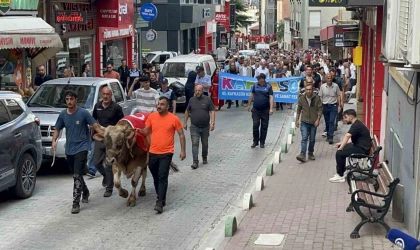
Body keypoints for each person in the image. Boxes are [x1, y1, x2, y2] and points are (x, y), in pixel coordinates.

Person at [52, 90, 103, 214]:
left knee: (76, 175)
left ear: (76, 100)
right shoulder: (63, 114)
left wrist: (104, 134)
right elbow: (57, 129)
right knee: (77, 175)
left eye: (71, 99)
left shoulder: (83, 113)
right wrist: (54, 140)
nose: (69, 101)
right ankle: (85, 190)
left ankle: (76, 203)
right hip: (69, 149)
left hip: (82, 147)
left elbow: (94, 125)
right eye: (67, 99)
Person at [137, 96, 186, 213]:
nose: (159, 106)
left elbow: (181, 135)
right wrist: (139, 130)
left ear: (167, 106)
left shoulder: (174, 119)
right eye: (158, 104)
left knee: (162, 176)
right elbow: (146, 131)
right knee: (155, 176)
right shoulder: (152, 117)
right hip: (153, 153)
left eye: (162, 104)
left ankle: (160, 202)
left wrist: (183, 150)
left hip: (166, 153)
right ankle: (161, 197)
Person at [92, 86, 124, 197]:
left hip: (112, 140)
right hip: (101, 137)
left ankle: (109, 188)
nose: (105, 96)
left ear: (111, 95)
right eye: (104, 94)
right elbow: (94, 120)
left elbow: (122, 123)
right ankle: (106, 176)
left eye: (108, 94)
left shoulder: (116, 107)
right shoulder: (97, 107)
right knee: (96, 162)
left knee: (109, 164)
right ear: (101, 94)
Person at [330, 109, 371, 183]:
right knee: (342, 149)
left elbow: (347, 135)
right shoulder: (357, 124)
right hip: (360, 147)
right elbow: (351, 139)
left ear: (351, 117)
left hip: (362, 150)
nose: (344, 119)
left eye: (345, 117)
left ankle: (340, 175)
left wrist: (341, 147)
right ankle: (342, 171)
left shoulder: (357, 125)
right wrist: (342, 143)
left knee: (339, 153)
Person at [183, 85, 216, 169]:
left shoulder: (207, 99)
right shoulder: (191, 100)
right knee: (195, 143)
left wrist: (212, 123)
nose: (197, 92)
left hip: (205, 127)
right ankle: (195, 162)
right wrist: (185, 122)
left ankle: (204, 156)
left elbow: (212, 111)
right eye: (196, 90)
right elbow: (187, 111)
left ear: (202, 91)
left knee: (205, 144)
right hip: (194, 126)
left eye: (199, 90)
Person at [295, 84, 323, 162]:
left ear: (312, 90)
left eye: (310, 89)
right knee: (304, 138)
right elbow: (298, 110)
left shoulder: (317, 98)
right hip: (304, 121)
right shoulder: (301, 98)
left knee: (312, 139)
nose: (308, 91)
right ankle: (302, 154)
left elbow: (320, 109)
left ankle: (310, 153)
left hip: (313, 122)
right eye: (307, 89)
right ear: (305, 90)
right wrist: (297, 120)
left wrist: (318, 120)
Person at [247, 73, 274, 148]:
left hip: (265, 110)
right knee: (255, 125)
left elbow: (271, 97)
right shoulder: (255, 85)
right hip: (255, 109)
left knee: (264, 126)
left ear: (262, 79)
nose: (258, 80)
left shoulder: (268, 86)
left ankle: (262, 142)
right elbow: (252, 95)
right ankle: (255, 141)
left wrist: (271, 108)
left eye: (258, 79)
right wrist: (249, 104)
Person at [319, 73, 342, 144]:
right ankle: (328, 135)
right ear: (326, 79)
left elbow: (338, 95)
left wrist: (339, 105)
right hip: (325, 106)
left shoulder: (335, 86)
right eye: (328, 78)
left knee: (332, 121)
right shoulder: (322, 87)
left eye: (330, 78)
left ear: (332, 79)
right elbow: (320, 97)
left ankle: (331, 137)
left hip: (333, 106)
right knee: (327, 121)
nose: (329, 79)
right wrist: (320, 106)